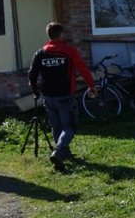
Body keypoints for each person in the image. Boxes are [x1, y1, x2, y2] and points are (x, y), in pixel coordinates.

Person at [28, 22, 97, 171]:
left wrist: (35, 89)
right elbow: (83, 69)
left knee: (56, 126)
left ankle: (64, 153)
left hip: (48, 96)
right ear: (61, 34)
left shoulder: (40, 53)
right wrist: (91, 86)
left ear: (49, 35)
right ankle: (59, 152)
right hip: (65, 95)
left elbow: (32, 74)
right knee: (69, 126)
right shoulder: (69, 51)